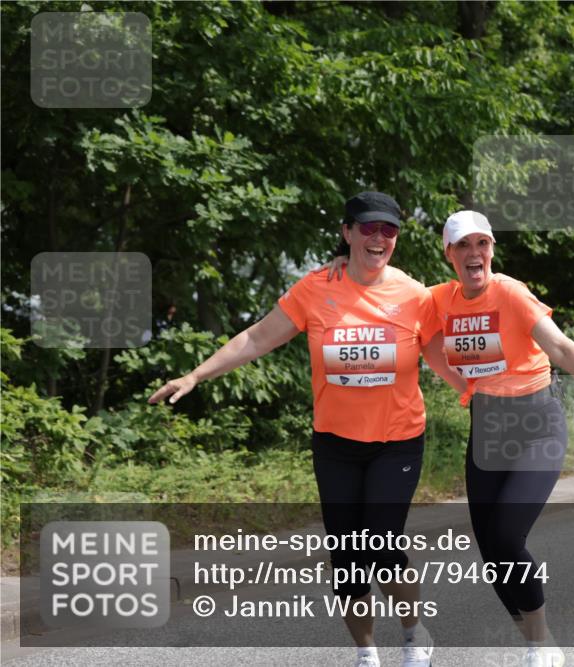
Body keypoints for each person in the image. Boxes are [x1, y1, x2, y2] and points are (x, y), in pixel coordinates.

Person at [150, 192, 465, 667]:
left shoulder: (413, 295)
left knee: (381, 544)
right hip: (335, 444)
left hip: (396, 443)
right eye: (368, 228)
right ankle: (365, 650)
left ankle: (412, 630)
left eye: (388, 230)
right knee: (346, 560)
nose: (378, 238)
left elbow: (445, 361)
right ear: (347, 233)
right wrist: (195, 374)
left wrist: (488, 394)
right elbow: (256, 336)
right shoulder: (317, 288)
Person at [327, 210, 574, 667]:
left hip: (536, 426)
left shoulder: (510, 293)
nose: (475, 253)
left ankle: (541, 642)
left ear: (491, 249)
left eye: (482, 244)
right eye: (463, 245)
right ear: (449, 253)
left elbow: (560, 345)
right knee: (492, 554)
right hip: (487, 429)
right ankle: (531, 637)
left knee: (508, 537)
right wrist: (338, 261)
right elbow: (384, 288)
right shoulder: (436, 299)